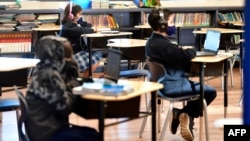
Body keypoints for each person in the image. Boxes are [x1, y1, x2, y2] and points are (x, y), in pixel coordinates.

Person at [146, 8, 217, 141]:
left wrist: (179, 51)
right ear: (163, 25)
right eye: (172, 22)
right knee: (210, 92)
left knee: (200, 88)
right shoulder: (163, 45)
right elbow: (184, 56)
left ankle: (182, 114)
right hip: (172, 85)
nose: (174, 25)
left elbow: (174, 55)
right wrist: (192, 51)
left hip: (160, 84)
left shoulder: (152, 41)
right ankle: (185, 114)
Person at [25, 36, 99, 141]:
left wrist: (71, 80)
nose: (69, 59)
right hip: (48, 133)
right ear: (56, 55)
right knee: (93, 136)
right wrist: (74, 83)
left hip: (41, 128)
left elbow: (59, 91)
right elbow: (65, 108)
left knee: (90, 133)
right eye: (66, 55)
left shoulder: (42, 68)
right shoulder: (49, 75)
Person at [60, 3, 103, 78]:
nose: (81, 16)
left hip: (75, 52)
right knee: (95, 57)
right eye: (79, 14)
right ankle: (83, 79)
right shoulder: (67, 26)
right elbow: (81, 31)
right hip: (69, 55)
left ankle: (83, 79)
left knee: (96, 54)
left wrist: (87, 25)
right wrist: (93, 29)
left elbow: (86, 25)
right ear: (72, 15)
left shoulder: (75, 23)